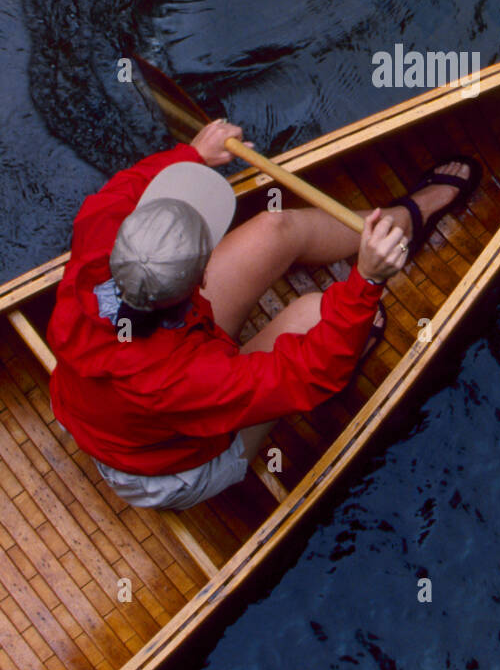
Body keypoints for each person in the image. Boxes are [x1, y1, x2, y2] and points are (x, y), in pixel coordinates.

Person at [47, 118, 474, 511]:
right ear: (200, 279)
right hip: (167, 467)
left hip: (150, 378)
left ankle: (405, 220)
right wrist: (366, 281)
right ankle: (381, 261)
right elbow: (313, 374)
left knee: (275, 229)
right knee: (317, 316)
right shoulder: (185, 380)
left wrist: (192, 155)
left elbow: (122, 191)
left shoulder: (101, 241)